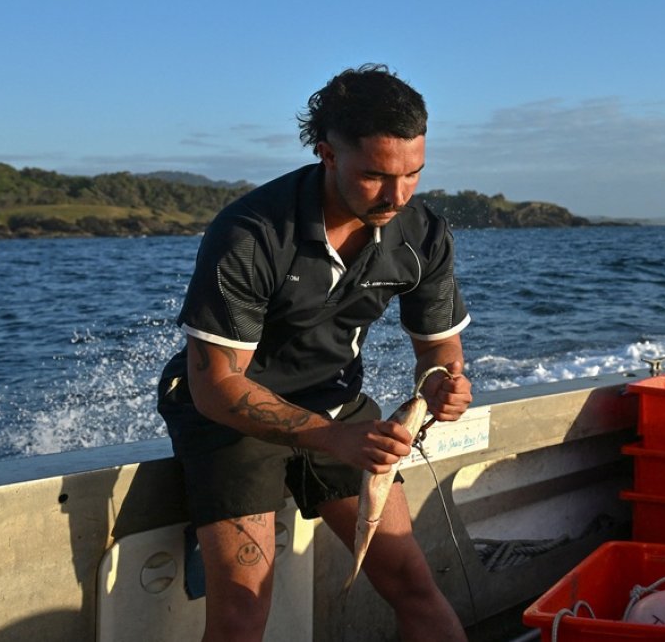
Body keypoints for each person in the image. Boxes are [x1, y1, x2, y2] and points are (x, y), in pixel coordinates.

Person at [157, 64, 471, 642]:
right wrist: (330, 437)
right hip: (233, 414)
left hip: (336, 402)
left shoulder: (421, 233)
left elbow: (439, 351)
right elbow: (215, 385)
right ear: (327, 153)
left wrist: (445, 384)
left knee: (413, 584)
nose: (397, 195)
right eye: (376, 175)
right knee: (243, 610)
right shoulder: (251, 232)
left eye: (413, 175)